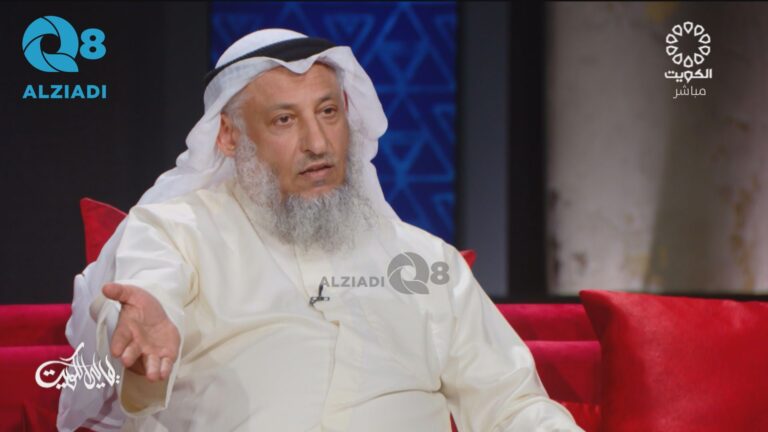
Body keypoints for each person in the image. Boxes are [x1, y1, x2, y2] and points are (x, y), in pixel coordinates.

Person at [57, 28, 583, 432]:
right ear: (229, 137)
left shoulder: (425, 261)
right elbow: (145, 300)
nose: (318, 143)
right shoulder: (176, 231)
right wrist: (144, 340)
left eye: (328, 112)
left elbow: (510, 402)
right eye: (284, 120)